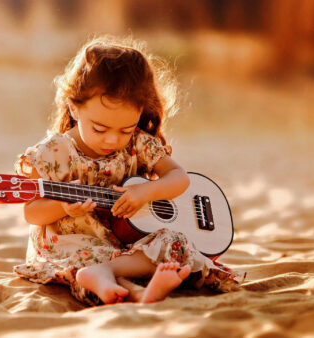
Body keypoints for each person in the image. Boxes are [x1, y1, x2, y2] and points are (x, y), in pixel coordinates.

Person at [13, 35, 244, 306]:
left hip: (124, 248)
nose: (112, 140)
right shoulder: (54, 153)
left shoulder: (138, 143)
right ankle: (121, 284)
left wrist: (146, 192)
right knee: (88, 258)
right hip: (71, 243)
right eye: (100, 128)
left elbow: (179, 177)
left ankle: (115, 281)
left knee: (177, 241)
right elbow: (31, 212)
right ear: (74, 108)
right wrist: (64, 207)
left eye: (125, 129)